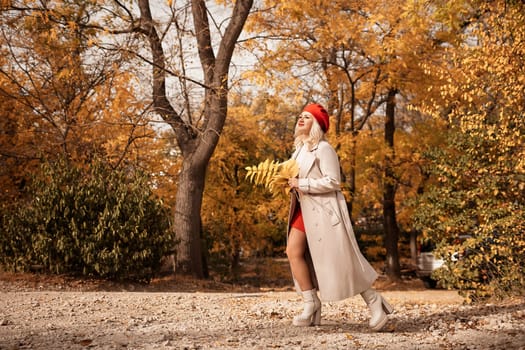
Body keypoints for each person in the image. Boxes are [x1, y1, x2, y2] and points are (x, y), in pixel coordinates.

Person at [285, 103, 393, 331]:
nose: (301, 119)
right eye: (300, 116)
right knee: (293, 252)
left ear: (316, 123)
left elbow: (333, 181)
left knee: (342, 262)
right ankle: (310, 302)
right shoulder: (300, 150)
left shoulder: (324, 149)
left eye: (307, 117)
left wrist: (301, 183)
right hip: (304, 210)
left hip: (324, 213)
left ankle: (375, 302)